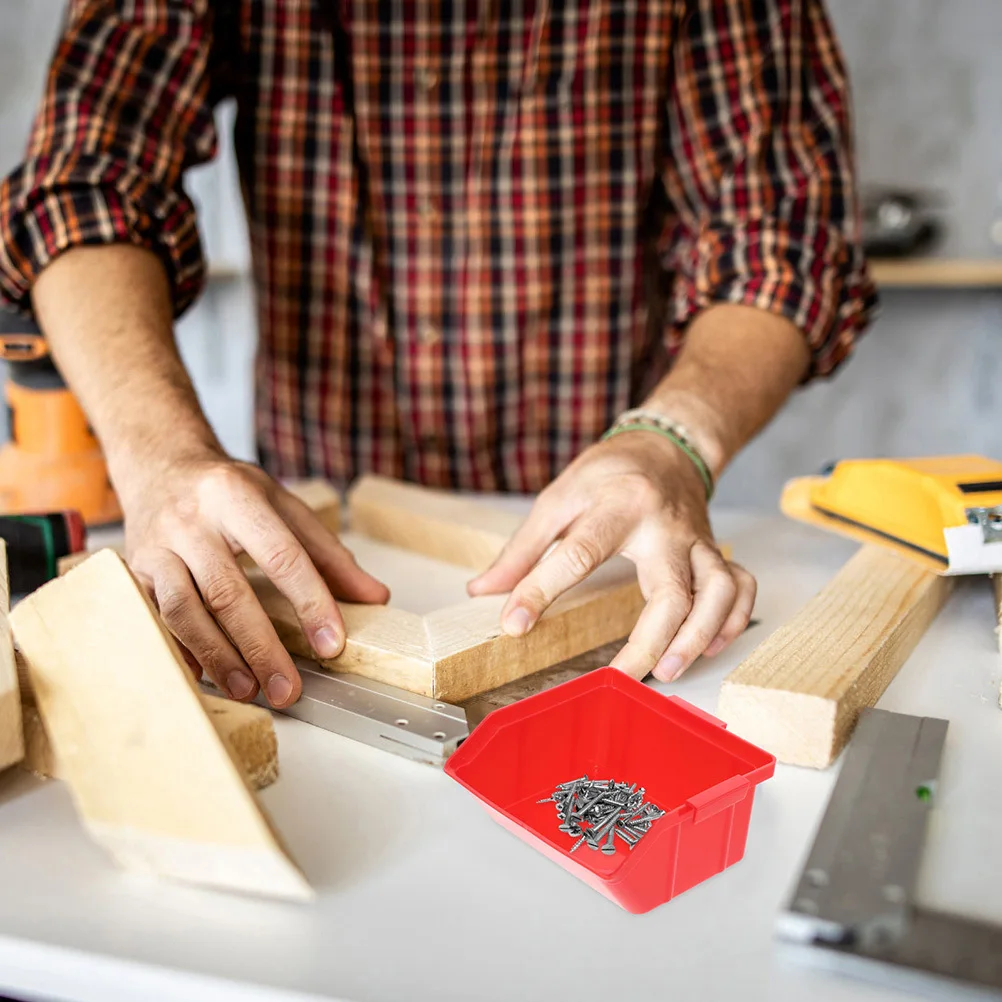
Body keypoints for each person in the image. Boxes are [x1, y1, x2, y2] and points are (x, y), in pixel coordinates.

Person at [0, 0, 876, 709]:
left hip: (596, 535)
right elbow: (85, 179)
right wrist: (160, 457)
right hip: (322, 521)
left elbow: (782, 239)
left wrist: (674, 439)